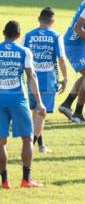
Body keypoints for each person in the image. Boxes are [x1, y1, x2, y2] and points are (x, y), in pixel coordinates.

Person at [0, 21, 46, 189]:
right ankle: (26, 179)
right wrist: (39, 102)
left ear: (4, 33)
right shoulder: (24, 51)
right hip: (18, 99)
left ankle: (4, 181)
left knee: (1, 142)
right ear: (19, 35)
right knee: (27, 138)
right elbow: (31, 77)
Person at [23, 7, 67, 153]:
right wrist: (65, 78)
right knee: (41, 113)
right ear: (53, 21)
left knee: (36, 112)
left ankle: (42, 146)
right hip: (48, 78)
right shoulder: (56, 36)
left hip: (31, 77)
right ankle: (31, 146)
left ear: (38, 19)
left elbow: (22, 57)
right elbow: (61, 59)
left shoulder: (28, 36)